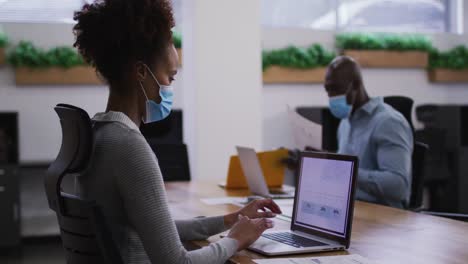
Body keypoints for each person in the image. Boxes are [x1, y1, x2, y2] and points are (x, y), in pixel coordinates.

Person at [72, 1, 281, 263]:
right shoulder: (128, 146)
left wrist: (231, 220)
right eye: (170, 77)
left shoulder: (100, 134)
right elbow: (177, 261)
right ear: (140, 72)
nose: (170, 86)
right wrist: (236, 240)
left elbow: (156, 232)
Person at [324, 56, 413, 209]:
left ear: (356, 85)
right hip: (349, 210)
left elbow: (398, 186)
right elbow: (343, 172)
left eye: (336, 88)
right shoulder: (345, 122)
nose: (331, 96)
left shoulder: (388, 122)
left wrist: (347, 171)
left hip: (382, 217)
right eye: (328, 90)